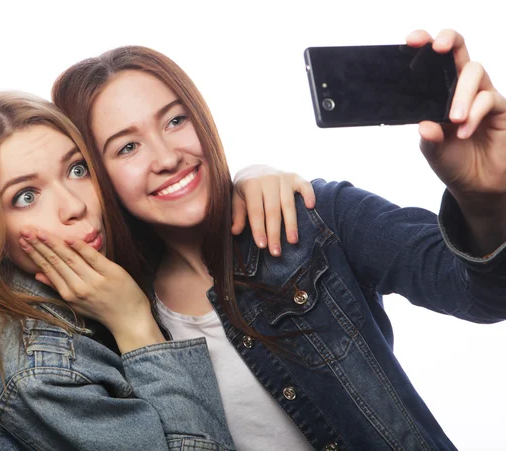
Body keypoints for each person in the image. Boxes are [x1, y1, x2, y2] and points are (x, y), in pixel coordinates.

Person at [37, 29, 506, 450]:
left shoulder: (312, 217)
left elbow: (482, 295)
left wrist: (483, 198)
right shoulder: (106, 320)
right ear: (96, 175)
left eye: (176, 120)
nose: (166, 157)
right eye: (127, 147)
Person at [0, 91, 314, 450]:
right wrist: (136, 325)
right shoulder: (41, 376)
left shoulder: (101, 279)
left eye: (76, 170)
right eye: (25, 196)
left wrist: (250, 180)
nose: (74, 206)